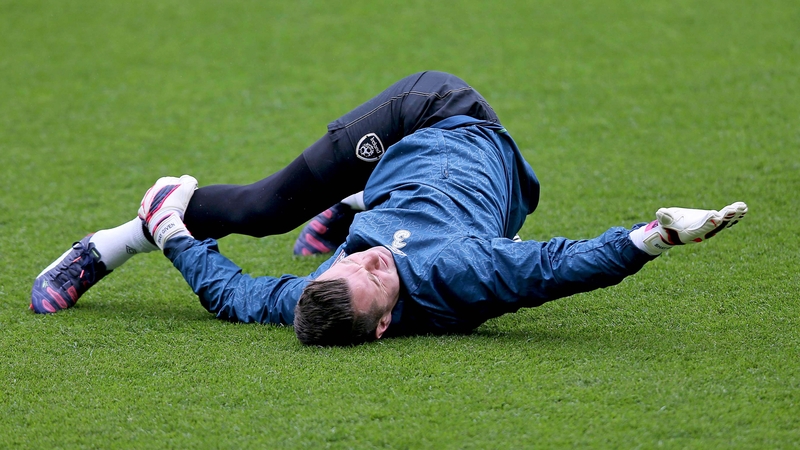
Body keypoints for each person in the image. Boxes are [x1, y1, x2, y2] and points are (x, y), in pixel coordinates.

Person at [30, 72, 748, 346]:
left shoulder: (323, 299)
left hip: (419, 132)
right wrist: (657, 236)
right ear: (382, 324)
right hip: (455, 122)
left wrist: (171, 232)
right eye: (372, 267)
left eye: (357, 260)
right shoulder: (465, 274)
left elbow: (234, 295)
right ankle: (352, 198)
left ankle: (112, 241)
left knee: (266, 212)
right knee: (276, 210)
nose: (370, 259)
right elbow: (558, 267)